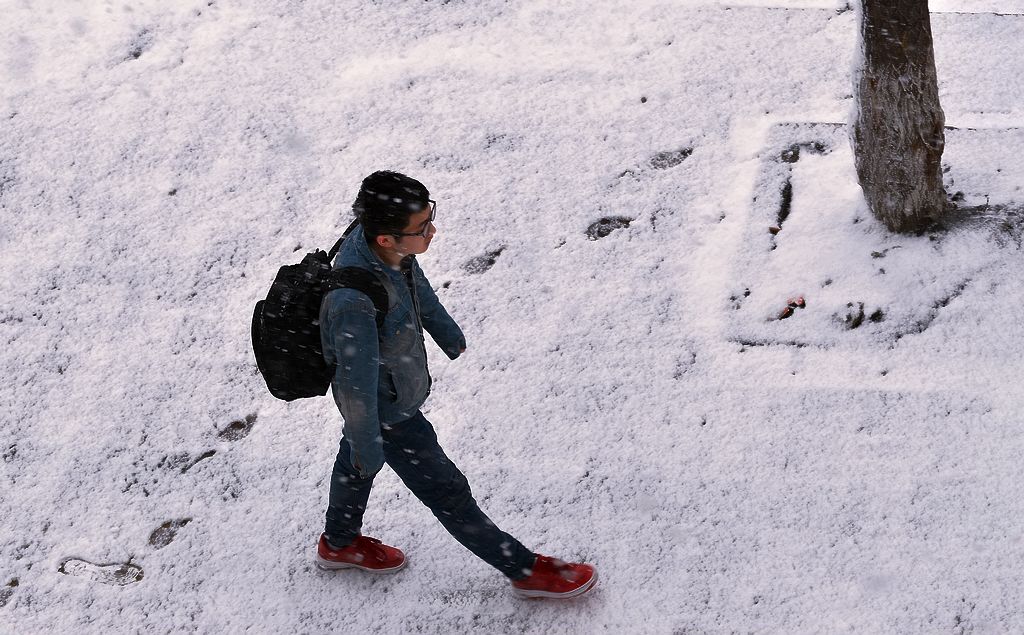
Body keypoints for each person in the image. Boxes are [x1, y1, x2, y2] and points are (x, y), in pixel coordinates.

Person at [315, 171, 597, 599]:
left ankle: (338, 543)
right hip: (389, 410)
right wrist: (369, 443)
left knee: (356, 463)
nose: (433, 230)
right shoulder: (352, 303)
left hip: (391, 395)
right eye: (422, 228)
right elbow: (355, 391)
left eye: (430, 217)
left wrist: (444, 329)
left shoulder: (382, 245)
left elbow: (414, 282)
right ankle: (525, 570)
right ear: (387, 239)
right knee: (445, 490)